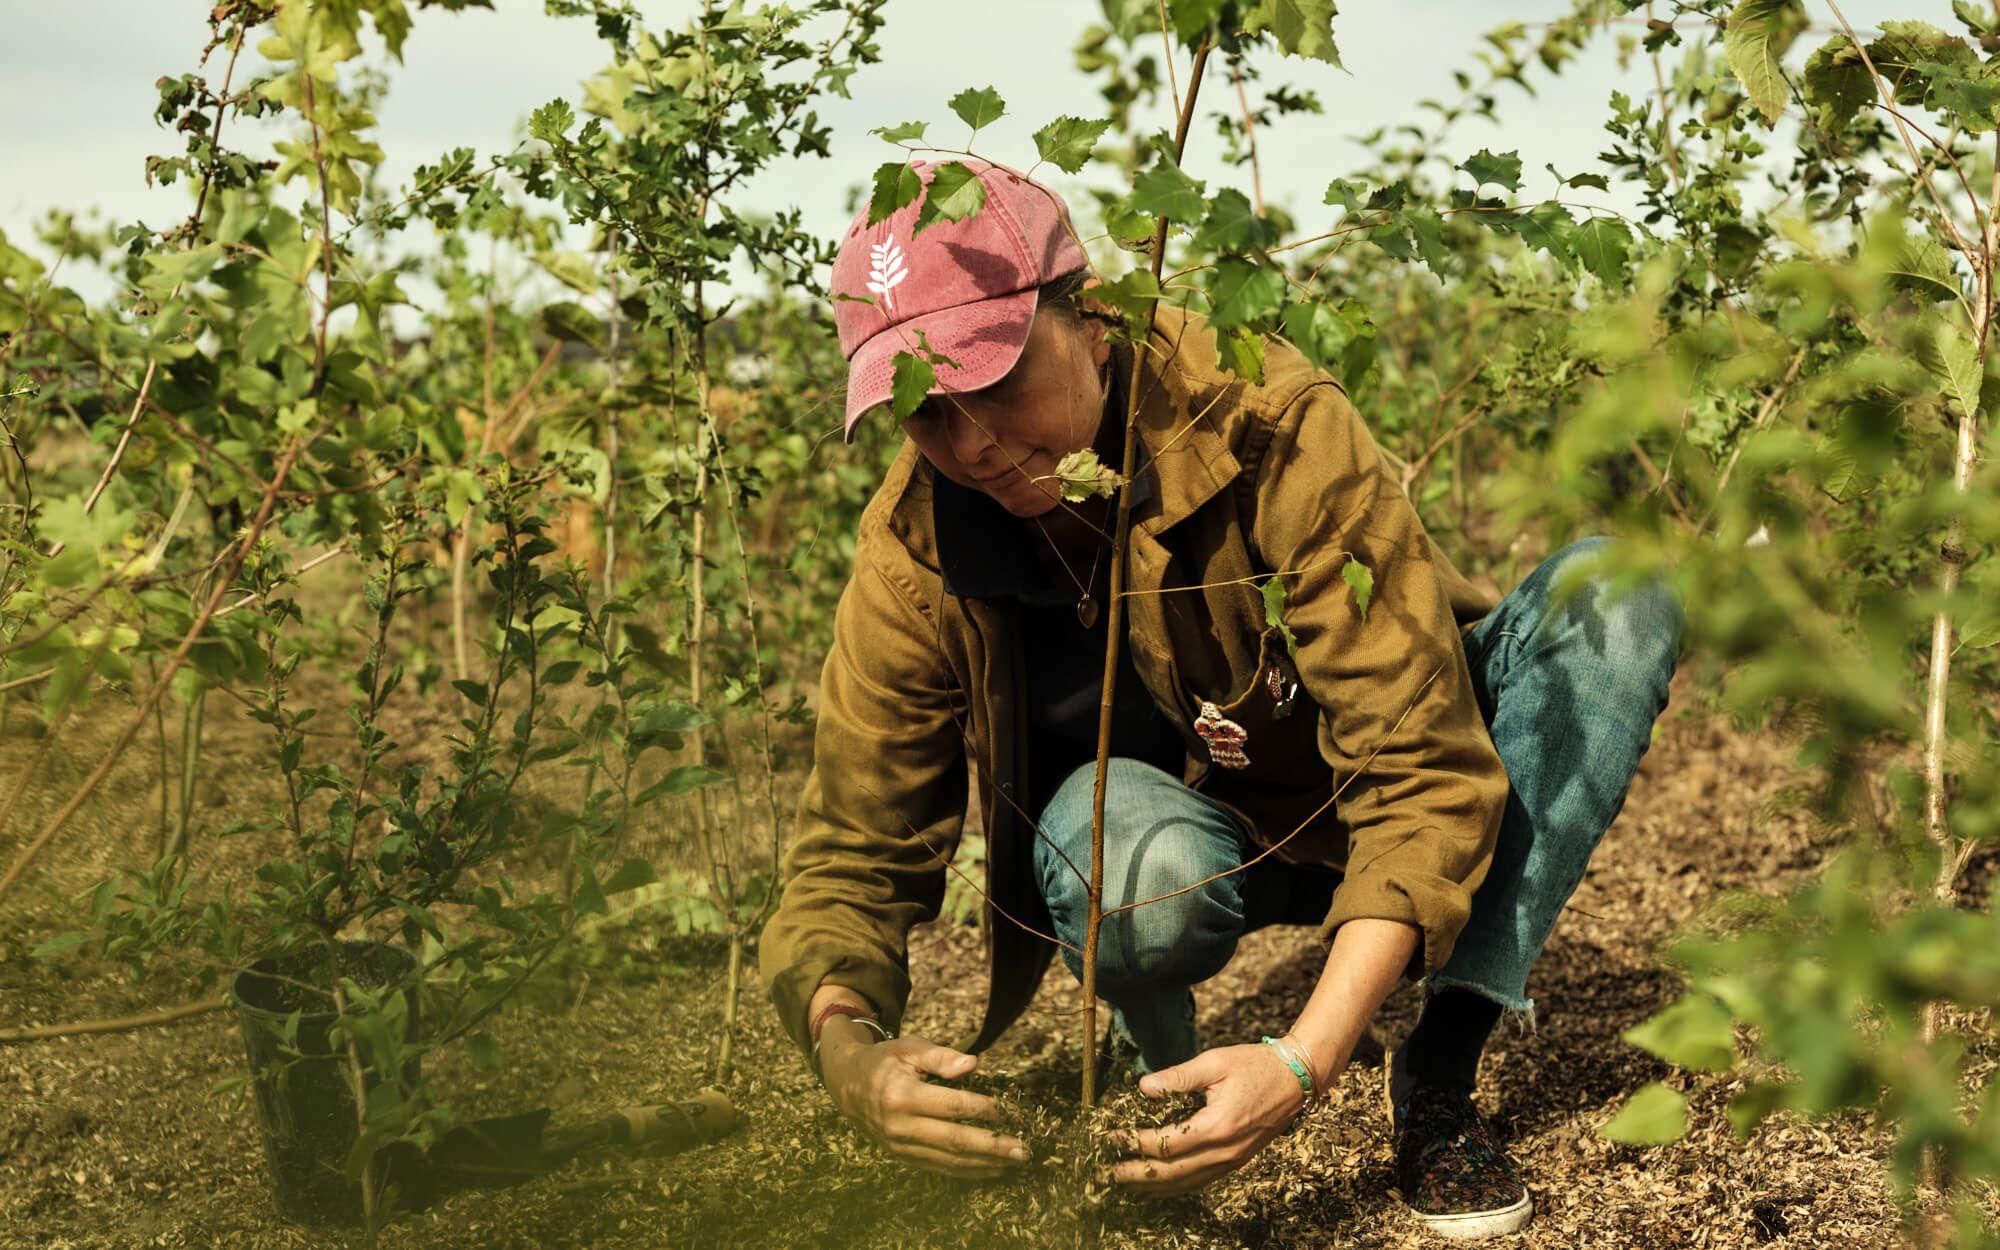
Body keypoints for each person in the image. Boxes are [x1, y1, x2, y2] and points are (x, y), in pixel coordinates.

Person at [758, 158, 1685, 1240]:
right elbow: (852, 847)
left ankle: (1439, 1063)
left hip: (1366, 783)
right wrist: (848, 1050)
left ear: (1089, 319)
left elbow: (1417, 763)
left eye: (994, 382)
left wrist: (1305, 1058)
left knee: (1619, 596)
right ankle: (1163, 1090)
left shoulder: (1260, 417)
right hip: (1199, 839)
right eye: (922, 412)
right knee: (1117, 854)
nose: (971, 445)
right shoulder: (914, 544)